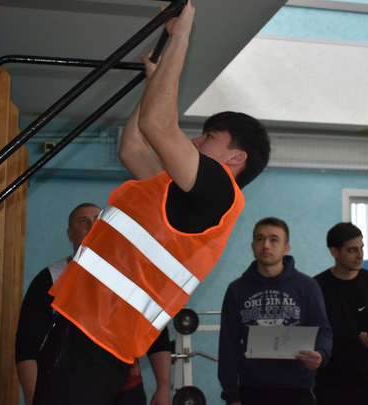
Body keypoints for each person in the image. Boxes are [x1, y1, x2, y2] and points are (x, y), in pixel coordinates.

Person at [35, 2, 272, 404]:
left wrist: (180, 37)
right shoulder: (180, 192)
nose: (195, 139)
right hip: (82, 324)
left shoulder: (220, 192)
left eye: (209, 136)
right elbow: (132, 146)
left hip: (102, 338)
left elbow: (157, 124)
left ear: (236, 158)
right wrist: (154, 82)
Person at [15, 203, 172, 405]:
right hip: (69, 392)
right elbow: (27, 344)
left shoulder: (133, 278)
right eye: (83, 221)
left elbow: (157, 334)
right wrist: (32, 396)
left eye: (98, 219)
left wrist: (163, 387)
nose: (92, 225)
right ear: (70, 234)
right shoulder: (51, 278)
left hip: (127, 392)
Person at [218, 217, 332, 405]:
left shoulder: (307, 286)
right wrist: (231, 395)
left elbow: (324, 330)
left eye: (274, 240)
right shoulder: (236, 289)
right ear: (253, 246)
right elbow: (228, 345)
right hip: (252, 388)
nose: (266, 245)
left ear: (286, 248)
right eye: (260, 239)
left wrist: (321, 353)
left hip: (298, 388)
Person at [313, 222, 368, 405]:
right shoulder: (316, 288)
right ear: (335, 252)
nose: (360, 255)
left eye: (361, 248)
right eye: (352, 250)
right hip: (330, 382)